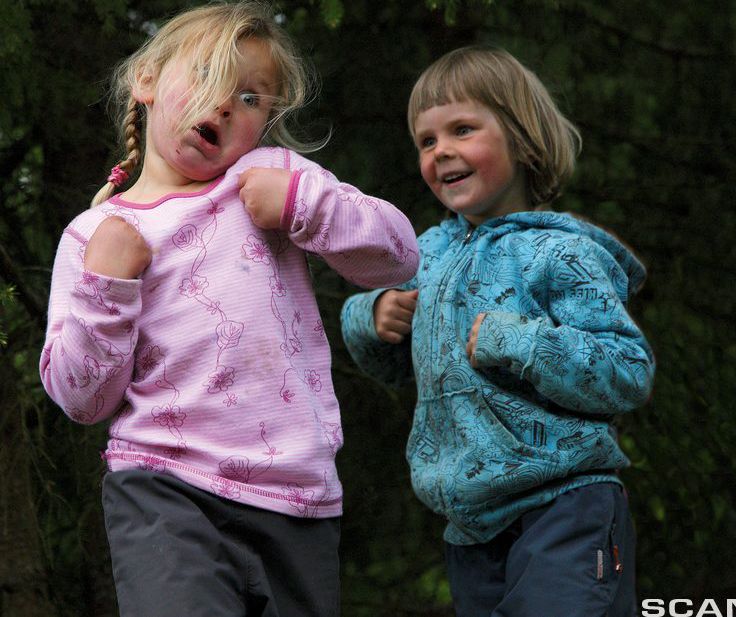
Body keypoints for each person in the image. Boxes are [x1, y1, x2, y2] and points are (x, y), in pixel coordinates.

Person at [39, 3, 418, 616]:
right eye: (207, 76)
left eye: (248, 97)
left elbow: (398, 256)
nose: (222, 104)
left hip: (297, 497)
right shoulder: (95, 235)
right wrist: (106, 287)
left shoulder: (270, 180)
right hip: (163, 487)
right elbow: (83, 400)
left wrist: (304, 203)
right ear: (148, 81)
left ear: (263, 123)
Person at [340, 46, 655, 616]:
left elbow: (626, 371)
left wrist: (523, 341)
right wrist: (373, 316)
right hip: (470, 527)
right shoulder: (425, 254)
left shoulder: (561, 253)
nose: (442, 152)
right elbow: (393, 364)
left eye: (463, 129)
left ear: (522, 139)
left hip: (566, 507)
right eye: (427, 141)